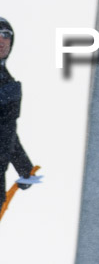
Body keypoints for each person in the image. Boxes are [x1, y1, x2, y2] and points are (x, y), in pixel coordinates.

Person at [0, 17, 40, 213]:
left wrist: (24, 167)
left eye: (6, 35)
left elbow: (7, 132)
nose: (1, 40)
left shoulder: (9, 85)